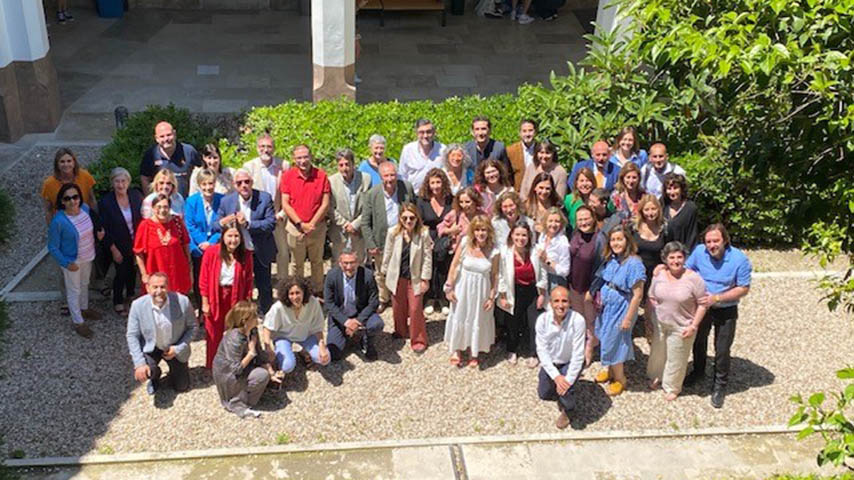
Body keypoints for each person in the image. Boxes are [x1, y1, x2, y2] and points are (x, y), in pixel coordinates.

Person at [683, 224, 752, 408]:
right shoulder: (699, 252)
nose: (712, 245)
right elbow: (687, 270)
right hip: (703, 307)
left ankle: (720, 385)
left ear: (725, 241)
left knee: (722, 349)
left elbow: (743, 288)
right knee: (698, 340)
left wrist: (718, 298)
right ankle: (698, 372)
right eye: (708, 242)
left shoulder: (739, 259)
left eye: (716, 241)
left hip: (726, 308)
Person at [647, 241, 707, 401]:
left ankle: (672, 386)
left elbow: (702, 303)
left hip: (682, 325)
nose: (675, 261)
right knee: (658, 353)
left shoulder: (694, 279)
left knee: (677, 357)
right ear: (665, 259)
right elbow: (652, 296)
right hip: (660, 322)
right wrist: (653, 316)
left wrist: (694, 326)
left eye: (679, 257)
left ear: (685, 258)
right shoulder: (659, 275)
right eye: (671, 257)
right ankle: (658, 376)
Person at [593, 226, 645, 396]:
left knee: (614, 342)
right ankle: (609, 370)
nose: (616, 243)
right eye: (613, 239)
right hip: (607, 307)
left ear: (628, 240)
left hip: (622, 308)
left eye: (619, 239)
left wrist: (628, 319)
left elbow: (637, 295)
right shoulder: (613, 259)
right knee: (604, 337)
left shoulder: (634, 263)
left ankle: (620, 378)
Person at [216, 169, 277, 313]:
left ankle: (266, 313)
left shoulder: (264, 198)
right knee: (241, 283)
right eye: (239, 183)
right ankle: (241, 313)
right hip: (238, 250)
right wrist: (222, 222)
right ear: (234, 185)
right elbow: (215, 225)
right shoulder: (226, 201)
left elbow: (270, 223)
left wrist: (249, 224)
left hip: (260, 248)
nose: (244, 185)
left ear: (252, 182)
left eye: (247, 182)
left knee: (264, 284)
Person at [48, 183, 104, 338]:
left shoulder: (85, 209)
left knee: (84, 284)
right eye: (68, 198)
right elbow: (52, 247)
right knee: (73, 291)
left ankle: (84, 308)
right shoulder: (58, 221)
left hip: (88, 256)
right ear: (62, 201)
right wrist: (66, 263)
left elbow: (93, 226)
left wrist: (98, 234)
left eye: (75, 197)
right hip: (73, 261)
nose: (73, 201)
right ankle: (78, 321)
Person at [126, 272, 196, 395]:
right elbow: (132, 335)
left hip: (174, 347)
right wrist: (139, 364)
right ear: (148, 288)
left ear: (168, 287)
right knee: (147, 371)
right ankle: (155, 376)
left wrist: (178, 348)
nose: (159, 291)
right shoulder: (137, 306)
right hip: (151, 347)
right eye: (155, 287)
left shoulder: (183, 302)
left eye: (162, 287)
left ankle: (175, 373)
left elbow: (193, 327)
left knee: (182, 386)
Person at [444, 215, 499, 367]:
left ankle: (472, 350)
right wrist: (449, 287)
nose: (481, 233)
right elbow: (454, 266)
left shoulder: (494, 251)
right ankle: (456, 349)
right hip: (463, 287)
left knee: (476, 318)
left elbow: (495, 275)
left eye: (484, 230)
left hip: (482, 290)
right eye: (477, 230)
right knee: (460, 315)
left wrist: (491, 297)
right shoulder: (464, 243)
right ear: (472, 231)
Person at [199, 223, 254, 369]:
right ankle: (213, 365)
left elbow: (249, 279)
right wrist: (205, 303)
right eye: (230, 235)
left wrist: (248, 302)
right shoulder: (211, 252)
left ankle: (234, 364)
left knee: (235, 331)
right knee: (213, 332)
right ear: (223, 237)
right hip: (215, 295)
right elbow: (203, 279)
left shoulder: (246, 255)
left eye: (236, 236)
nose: (233, 240)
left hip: (236, 295)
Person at [362, 161, 416, 311]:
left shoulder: (406, 188)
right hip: (381, 239)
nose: (390, 179)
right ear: (380, 177)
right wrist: (371, 244)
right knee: (381, 272)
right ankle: (383, 298)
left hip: (403, 236)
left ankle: (401, 298)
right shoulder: (372, 194)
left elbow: (414, 211)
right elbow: (365, 222)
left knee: (404, 269)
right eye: (386, 176)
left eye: (393, 175)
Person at [381, 204, 433, 353]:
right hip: (397, 276)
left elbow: (427, 258)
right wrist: (384, 273)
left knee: (415, 308)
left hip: (415, 277)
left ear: (417, 218)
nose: (408, 221)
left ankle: (418, 339)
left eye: (412, 218)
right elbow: (388, 253)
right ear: (400, 219)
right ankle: (401, 331)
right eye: (405, 218)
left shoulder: (423, 234)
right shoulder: (393, 233)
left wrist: (425, 279)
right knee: (398, 307)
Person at [280, 144, 331, 295]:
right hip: (296, 229)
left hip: (317, 228)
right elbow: (285, 203)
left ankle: (318, 291)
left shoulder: (321, 176)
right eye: (299, 158)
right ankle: (298, 292)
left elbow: (325, 203)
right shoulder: (288, 176)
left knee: (317, 262)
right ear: (294, 159)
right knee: (297, 264)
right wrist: (300, 224)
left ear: (311, 157)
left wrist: (312, 224)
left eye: (305, 157)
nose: (303, 161)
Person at [535, 286, 586, 429]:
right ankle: (559, 387)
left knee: (566, 390)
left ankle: (569, 410)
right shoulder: (542, 321)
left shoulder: (578, 321)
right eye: (556, 301)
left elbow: (578, 355)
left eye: (564, 301)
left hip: (569, 362)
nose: (560, 305)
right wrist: (556, 377)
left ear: (570, 303)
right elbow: (542, 351)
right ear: (550, 303)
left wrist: (567, 381)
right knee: (544, 394)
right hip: (552, 362)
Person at [212, 300, 273, 419]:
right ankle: (240, 401)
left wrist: (271, 368)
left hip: (244, 366)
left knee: (270, 365)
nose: (258, 318)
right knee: (262, 375)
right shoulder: (234, 338)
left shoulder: (253, 331)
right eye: (254, 316)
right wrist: (250, 353)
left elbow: (260, 354)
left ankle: (247, 393)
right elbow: (236, 369)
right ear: (245, 321)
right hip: (227, 374)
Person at [243, 133, 290, 282]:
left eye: (269, 146)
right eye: (262, 146)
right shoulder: (249, 167)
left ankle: (283, 282)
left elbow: (289, 191)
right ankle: (258, 282)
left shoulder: (284, 165)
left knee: (283, 252)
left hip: (278, 216)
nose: (266, 150)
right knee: (257, 252)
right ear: (257, 148)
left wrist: (283, 213)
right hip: (259, 218)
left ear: (274, 148)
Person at [263, 277, 331, 378]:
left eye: (298, 293)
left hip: (306, 335)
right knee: (287, 367)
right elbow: (267, 327)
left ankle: (304, 352)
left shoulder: (313, 303)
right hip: (284, 337)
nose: (295, 297)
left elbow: (318, 327)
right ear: (286, 294)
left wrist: (322, 346)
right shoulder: (279, 307)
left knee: (325, 359)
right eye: (291, 294)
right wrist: (268, 348)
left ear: (304, 292)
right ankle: (283, 353)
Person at [497, 221, 544, 365]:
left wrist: (542, 293)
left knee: (534, 322)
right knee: (513, 321)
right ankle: (512, 349)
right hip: (514, 290)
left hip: (532, 291)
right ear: (511, 235)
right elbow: (501, 275)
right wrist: (503, 295)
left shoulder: (536, 251)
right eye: (517, 234)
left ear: (529, 236)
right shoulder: (505, 252)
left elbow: (542, 273)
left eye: (524, 235)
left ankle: (533, 352)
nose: (520, 238)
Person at [324, 249, 384, 361]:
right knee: (334, 355)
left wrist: (357, 321)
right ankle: (347, 334)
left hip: (360, 313)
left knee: (376, 324)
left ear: (358, 262)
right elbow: (329, 303)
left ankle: (366, 341)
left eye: (352, 262)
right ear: (339, 263)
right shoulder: (332, 276)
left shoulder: (367, 275)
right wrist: (346, 322)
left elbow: (374, 301)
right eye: (345, 263)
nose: (349, 266)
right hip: (341, 316)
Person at [98, 167, 143, 317]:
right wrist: (113, 249)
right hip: (117, 244)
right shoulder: (106, 202)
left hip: (135, 242)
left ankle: (130, 295)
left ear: (128, 182)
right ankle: (117, 300)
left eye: (123, 181)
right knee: (121, 273)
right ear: (112, 183)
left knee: (132, 271)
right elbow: (104, 228)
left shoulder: (136, 196)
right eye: (117, 181)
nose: (120, 185)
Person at [134, 194, 193, 294]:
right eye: (158, 207)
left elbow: (185, 244)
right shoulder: (145, 225)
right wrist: (144, 274)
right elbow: (138, 252)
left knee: (177, 301)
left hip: (177, 272)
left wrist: (189, 265)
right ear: (153, 208)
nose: (162, 210)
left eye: (165, 207)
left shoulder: (177, 222)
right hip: (155, 271)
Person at [416, 168, 454, 316]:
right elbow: (419, 221)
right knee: (429, 267)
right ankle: (430, 299)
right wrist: (427, 238)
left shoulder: (451, 199)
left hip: (446, 237)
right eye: (433, 183)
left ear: (443, 182)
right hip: (428, 236)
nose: (436, 186)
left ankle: (444, 299)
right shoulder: (422, 200)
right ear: (428, 184)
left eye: (438, 182)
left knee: (444, 267)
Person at [184, 168, 224, 306]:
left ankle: (215, 305)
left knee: (216, 277)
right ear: (200, 185)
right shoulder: (191, 201)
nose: (208, 187)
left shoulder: (222, 200)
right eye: (204, 184)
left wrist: (211, 243)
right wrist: (202, 242)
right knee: (200, 278)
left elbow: (223, 224)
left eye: (211, 183)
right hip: (197, 247)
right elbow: (189, 225)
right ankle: (201, 308)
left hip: (216, 245)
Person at [633, 194, 668, 338]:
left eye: (653, 209)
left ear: (659, 210)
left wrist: (665, 266)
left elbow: (670, 250)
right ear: (641, 210)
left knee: (651, 305)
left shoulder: (664, 229)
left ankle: (650, 331)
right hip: (637, 271)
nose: (650, 213)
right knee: (634, 302)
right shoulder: (634, 228)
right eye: (647, 209)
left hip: (655, 272)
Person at [329, 148, 371, 264]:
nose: (344, 168)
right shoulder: (331, 181)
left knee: (359, 262)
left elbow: (368, 206)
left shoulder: (365, 179)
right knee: (339, 263)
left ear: (353, 164)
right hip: (340, 232)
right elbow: (330, 208)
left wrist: (355, 224)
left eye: (347, 164)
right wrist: (346, 224)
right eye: (341, 165)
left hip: (359, 231)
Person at [569, 205, 599, 365]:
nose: (583, 222)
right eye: (580, 219)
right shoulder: (575, 234)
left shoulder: (599, 239)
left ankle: (589, 348)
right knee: (578, 319)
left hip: (589, 289)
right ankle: (580, 346)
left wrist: (593, 289)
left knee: (590, 320)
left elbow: (601, 267)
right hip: (574, 285)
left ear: (593, 218)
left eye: (586, 218)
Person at [139, 121, 201, 197]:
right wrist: (151, 198)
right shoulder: (150, 155)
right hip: (161, 205)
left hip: (186, 203)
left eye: (169, 135)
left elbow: (201, 173)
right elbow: (145, 178)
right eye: (162, 136)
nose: (166, 139)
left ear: (174, 134)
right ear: (156, 138)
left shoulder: (188, 151)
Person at [42, 148, 96, 225]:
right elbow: (48, 210)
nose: (66, 164)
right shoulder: (49, 184)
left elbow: (92, 200)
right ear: (57, 164)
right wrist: (52, 229)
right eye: (62, 162)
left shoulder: (85, 176)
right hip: (63, 224)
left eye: (69, 161)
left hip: (85, 221)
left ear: (74, 163)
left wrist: (96, 221)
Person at [399, 118, 445, 192]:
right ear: (416, 133)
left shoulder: (442, 150)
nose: (425, 136)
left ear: (434, 132)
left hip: (435, 195)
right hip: (414, 195)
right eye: (421, 132)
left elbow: (446, 174)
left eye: (428, 132)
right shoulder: (408, 150)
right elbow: (402, 175)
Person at [533, 207, 571, 295]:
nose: (553, 224)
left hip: (555, 280)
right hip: (542, 276)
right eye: (550, 221)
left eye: (557, 221)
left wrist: (548, 261)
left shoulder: (562, 242)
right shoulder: (543, 236)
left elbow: (565, 271)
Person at [439, 187, 486, 255]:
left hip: (478, 253)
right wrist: (451, 230)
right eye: (461, 202)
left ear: (475, 201)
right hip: (458, 254)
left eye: (467, 202)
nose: (464, 205)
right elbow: (440, 228)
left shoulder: (483, 216)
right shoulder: (456, 214)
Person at [662, 173, 699, 249]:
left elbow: (692, 236)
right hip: (665, 254)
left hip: (683, 253)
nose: (672, 192)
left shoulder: (690, 208)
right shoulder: (663, 205)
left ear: (682, 189)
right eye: (669, 189)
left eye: (675, 188)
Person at [505, 119, 538, 191]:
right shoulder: (511, 151)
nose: (527, 134)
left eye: (530, 130)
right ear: (520, 133)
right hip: (518, 192)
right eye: (524, 131)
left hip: (538, 192)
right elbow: (507, 174)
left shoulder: (541, 150)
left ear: (535, 132)